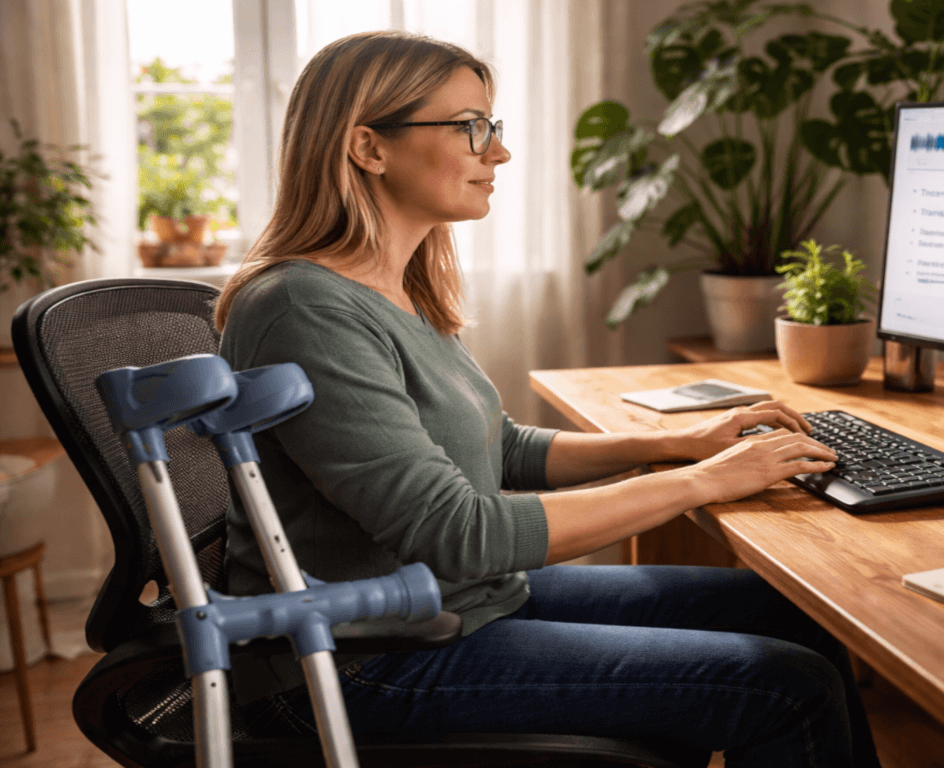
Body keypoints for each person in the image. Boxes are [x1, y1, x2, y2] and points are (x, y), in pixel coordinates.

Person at [215, 30, 880, 768]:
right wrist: (703, 482)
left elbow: (497, 447)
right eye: (470, 129)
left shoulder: (394, 287)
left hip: (460, 602)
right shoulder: (305, 308)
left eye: (491, 128)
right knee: (784, 687)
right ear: (368, 148)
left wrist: (680, 443)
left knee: (794, 618)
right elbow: (459, 531)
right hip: (359, 657)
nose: (496, 153)